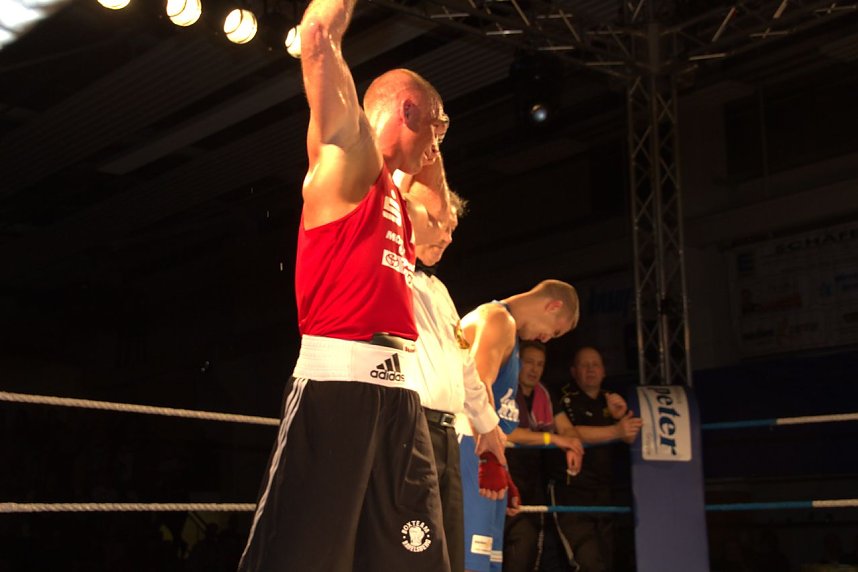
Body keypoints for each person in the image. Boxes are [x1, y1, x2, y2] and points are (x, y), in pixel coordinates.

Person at [237, 0, 450, 567]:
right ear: (406, 108)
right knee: (302, 557)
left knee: (415, 558)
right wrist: (428, 124)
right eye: (436, 122)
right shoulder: (348, 155)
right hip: (339, 387)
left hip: (402, 398)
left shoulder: (397, 206)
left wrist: (432, 136)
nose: (441, 141)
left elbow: (443, 222)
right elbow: (316, 33)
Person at [404, 157, 508, 572]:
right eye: (438, 223)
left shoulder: (438, 291)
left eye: (452, 229)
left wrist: (488, 427)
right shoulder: (380, 272)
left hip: (445, 435)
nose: (447, 237)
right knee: (408, 545)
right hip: (404, 428)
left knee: (446, 550)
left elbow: (466, 365)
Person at [459, 280, 580, 572]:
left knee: (491, 561)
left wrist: (502, 466)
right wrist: (490, 458)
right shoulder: (497, 319)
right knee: (473, 560)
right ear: (553, 306)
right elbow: (476, 386)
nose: (546, 338)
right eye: (555, 330)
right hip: (468, 446)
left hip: (481, 448)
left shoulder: (508, 329)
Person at [551, 346, 643, 572]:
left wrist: (621, 417)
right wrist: (616, 431)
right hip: (572, 493)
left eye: (595, 365)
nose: (590, 369)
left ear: (603, 371)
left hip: (605, 494)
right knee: (587, 563)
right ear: (573, 371)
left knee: (606, 561)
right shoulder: (562, 398)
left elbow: (635, 434)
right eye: (584, 364)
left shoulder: (611, 401)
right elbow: (572, 433)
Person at [503, 340, 584, 572]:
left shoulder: (545, 394)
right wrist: (555, 439)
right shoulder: (504, 389)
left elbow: (567, 429)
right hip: (503, 477)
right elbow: (509, 432)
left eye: (540, 364)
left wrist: (572, 445)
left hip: (533, 483)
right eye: (529, 362)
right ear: (516, 361)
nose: (534, 369)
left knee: (528, 552)